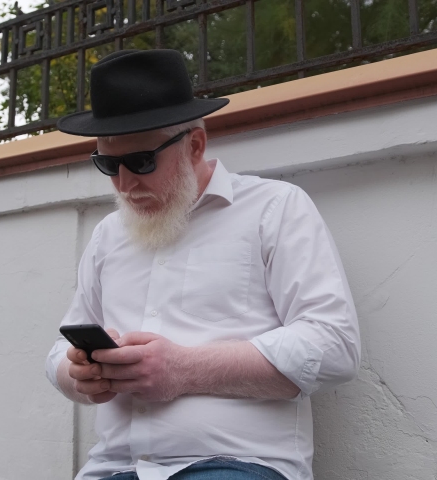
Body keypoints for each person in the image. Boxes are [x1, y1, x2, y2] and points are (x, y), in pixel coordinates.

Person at [45, 49, 361, 480]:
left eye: (140, 162)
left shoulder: (274, 208)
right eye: (108, 164)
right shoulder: (107, 234)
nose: (124, 183)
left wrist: (183, 370)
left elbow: (335, 346)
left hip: (236, 465)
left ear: (194, 145)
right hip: (113, 468)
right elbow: (57, 353)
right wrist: (78, 372)